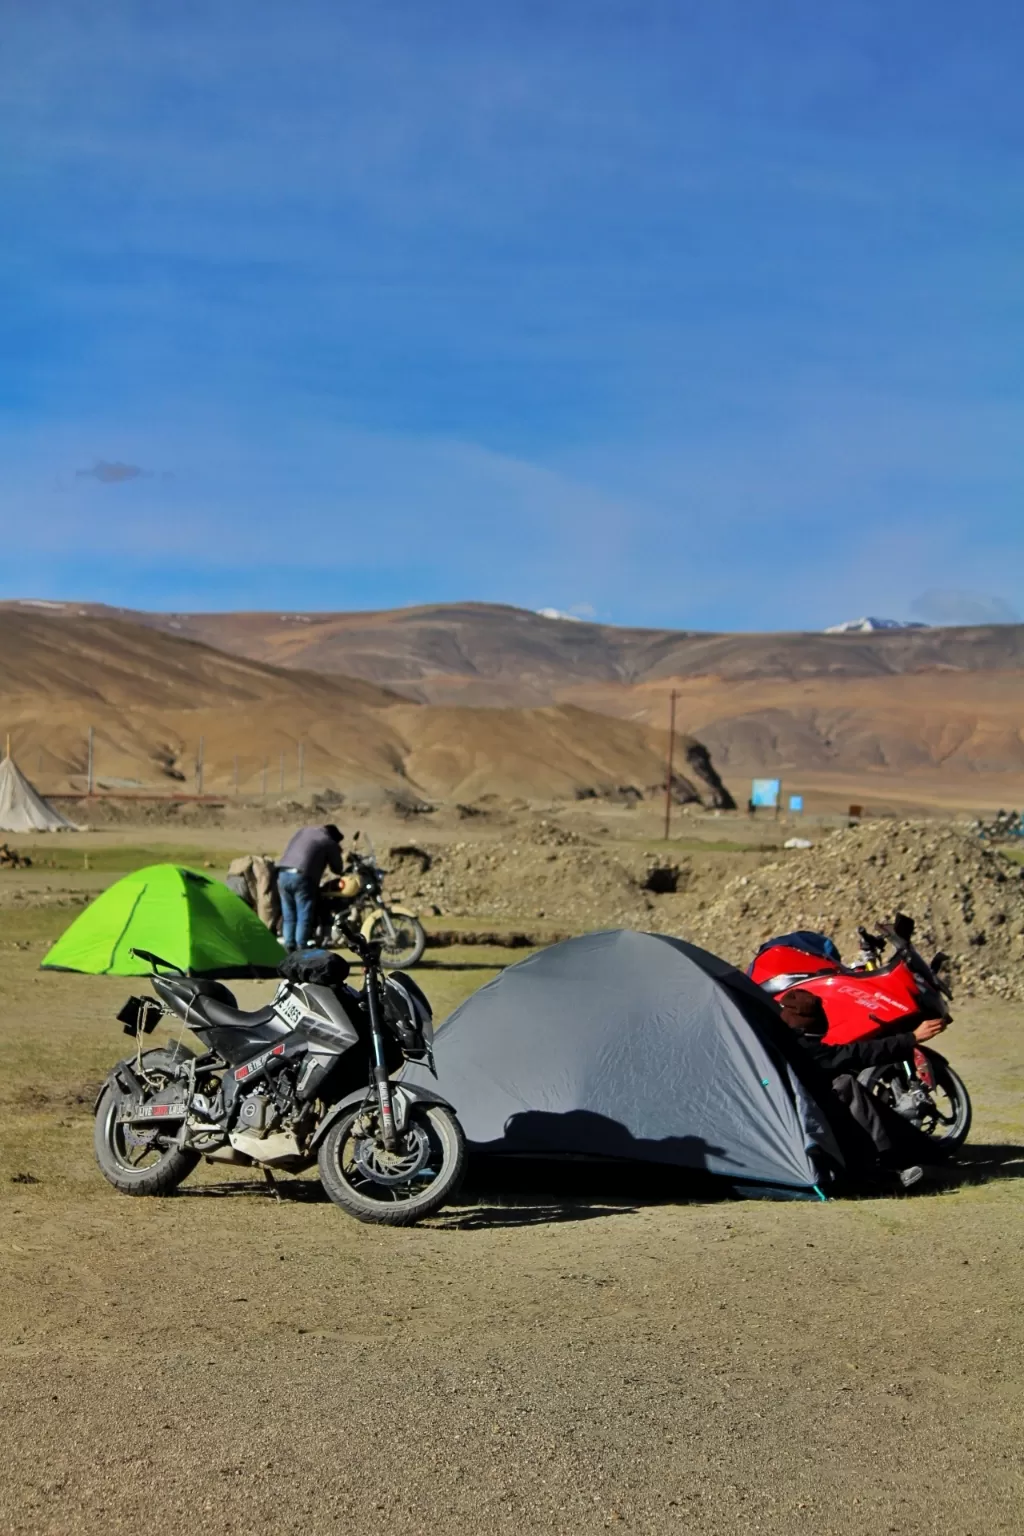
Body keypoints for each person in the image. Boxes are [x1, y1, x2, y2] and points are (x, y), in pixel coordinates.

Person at [779, 988, 948, 1190]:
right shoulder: (804, 1049)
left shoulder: (778, 1037)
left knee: (843, 1083)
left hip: (791, 1110)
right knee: (845, 1086)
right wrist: (910, 1038)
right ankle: (881, 1167)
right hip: (800, 1118)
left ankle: (917, 1152)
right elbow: (857, 1053)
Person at [276, 823, 344, 950]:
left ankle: (289, 948)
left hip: (282, 874)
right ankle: (301, 948)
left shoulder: (304, 831)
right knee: (304, 915)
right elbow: (338, 868)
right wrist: (336, 852)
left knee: (289, 915)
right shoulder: (328, 841)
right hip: (301, 877)